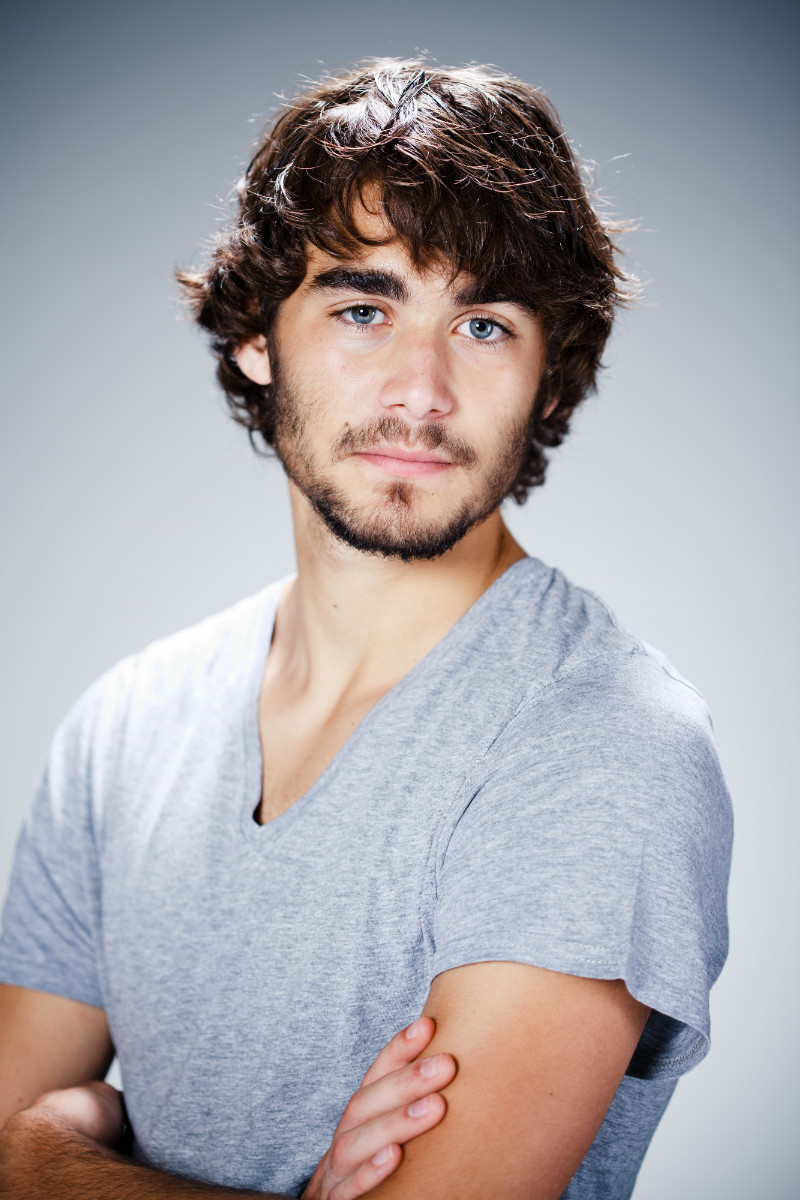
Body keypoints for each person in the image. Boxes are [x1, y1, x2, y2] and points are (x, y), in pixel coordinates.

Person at [0, 59, 733, 1199]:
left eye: (483, 325)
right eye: (362, 309)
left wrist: (48, 1158)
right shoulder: (125, 726)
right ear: (257, 336)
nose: (420, 391)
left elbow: (11, 1150)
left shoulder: (603, 743)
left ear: (549, 380)